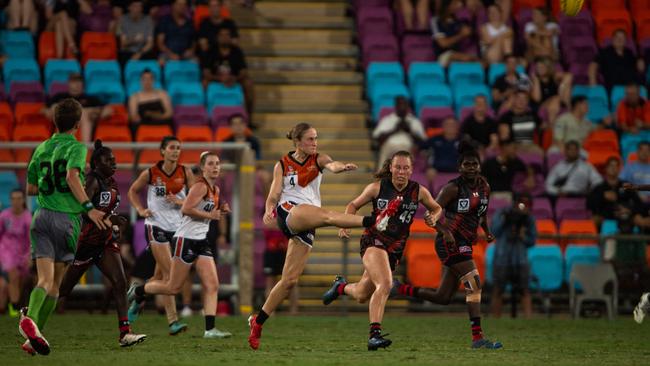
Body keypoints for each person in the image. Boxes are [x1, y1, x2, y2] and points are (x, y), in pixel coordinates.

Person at [247, 123, 392, 350]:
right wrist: (268, 208)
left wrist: (342, 167)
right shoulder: (282, 164)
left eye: (316, 139)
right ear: (298, 141)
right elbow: (274, 192)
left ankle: (258, 321)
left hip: (306, 221)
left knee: (289, 281)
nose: (315, 143)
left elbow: (332, 165)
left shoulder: (319, 158)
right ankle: (373, 222)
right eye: (310, 139)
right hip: (290, 211)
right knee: (328, 216)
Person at [321, 151, 443, 350]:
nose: (401, 172)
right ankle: (374, 335)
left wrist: (434, 217)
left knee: (361, 294)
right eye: (397, 167)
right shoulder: (377, 188)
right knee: (385, 284)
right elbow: (352, 205)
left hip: (395, 249)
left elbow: (436, 208)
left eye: (405, 168)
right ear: (390, 168)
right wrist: (345, 224)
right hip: (373, 240)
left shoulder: (418, 191)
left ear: (411, 170)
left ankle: (340, 287)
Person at [20, 98, 111, 356]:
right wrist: (87, 207)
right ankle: (32, 326)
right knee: (55, 284)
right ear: (78, 124)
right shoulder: (76, 148)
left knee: (44, 280)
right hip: (66, 219)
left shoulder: (41, 148)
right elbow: (72, 176)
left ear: (54, 121)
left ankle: (32, 334)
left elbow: (30, 188)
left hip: (41, 216)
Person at [393, 142, 502, 349]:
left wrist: (486, 231)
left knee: (442, 297)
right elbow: (430, 214)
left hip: (466, 242)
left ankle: (400, 288)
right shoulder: (452, 188)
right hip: (448, 242)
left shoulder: (485, 186)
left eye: (474, 164)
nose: (471, 167)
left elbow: (483, 212)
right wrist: (445, 231)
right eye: (466, 164)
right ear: (459, 167)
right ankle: (478, 338)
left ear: (479, 166)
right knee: (474, 284)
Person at [128, 152, 232, 339]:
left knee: (212, 284)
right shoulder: (200, 186)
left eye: (217, 164)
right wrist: (211, 215)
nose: (215, 167)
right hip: (186, 240)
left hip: (202, 241)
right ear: (202, 168)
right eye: (210, 164)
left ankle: (209, 330)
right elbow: (186, 209)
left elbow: (203, 208)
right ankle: (139, 290)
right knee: (173, 287)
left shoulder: (214, 190)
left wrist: (221, 209)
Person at [58, 140, 146, 347]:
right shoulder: (92, 181)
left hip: (104, 242)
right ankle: (30, 317)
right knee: (62, 290)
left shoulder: (111, 182)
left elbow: (104, 210)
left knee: (120, 282)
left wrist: (114, 225)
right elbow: (82, 210)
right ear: (97, 163)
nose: (114, 164)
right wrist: (110, 221)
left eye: (115, 160)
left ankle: (125, 332)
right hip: (85, 243)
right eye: (109, 160)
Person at [127, 135, 194, 335]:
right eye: (172, 147)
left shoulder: (185, 172)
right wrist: (140, 209)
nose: (176, 151)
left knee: (159, 276)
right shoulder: (150, 173)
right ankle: (173, 322)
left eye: (178, 148)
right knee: (170, 275)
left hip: (178, 228)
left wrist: (181, 202)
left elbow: (195, 199)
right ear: (163, 151)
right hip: (156, 226)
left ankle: (138, 294)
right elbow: (132, 191)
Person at [490, 193, 536, 319]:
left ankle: (528, 320)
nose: (523, 206)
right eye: (521, 202)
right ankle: (496, 320)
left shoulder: (528, 218)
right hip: (502, 257)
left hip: (520, 258)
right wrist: (505, 221)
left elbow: (532, 240)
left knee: (524, 290)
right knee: (498, 290)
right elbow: (493, 232)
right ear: (514, 202)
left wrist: (523, 236)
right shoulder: (502, 213)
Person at [45, 73, 113, 143]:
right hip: (62, 122)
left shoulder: (90, 99)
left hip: (84, 123)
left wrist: (96, 113)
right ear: (68, 83)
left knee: (83, 113)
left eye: (79, 81)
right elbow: (44, 109)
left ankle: (85, 147)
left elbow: (108, 110)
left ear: (83, 84)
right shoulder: (59, 97)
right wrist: (51, 111)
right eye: (74, 82)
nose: (77, 84)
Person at [200, 27, 254, 115]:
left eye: (227, 35)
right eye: (222, 35)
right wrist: (220, 79)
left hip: (234, 80)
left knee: (248, 83)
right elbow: (206, 73)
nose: (224, 37)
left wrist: (234, 78)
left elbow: (244, 71)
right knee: (204, 84)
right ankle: (205, 115)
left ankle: (248, 117)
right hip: (216, 80)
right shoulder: (211, 51)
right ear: (217, 37)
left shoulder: (237, 51)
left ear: (230, 37)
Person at [0, 189, 32, 318]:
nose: (16, 201)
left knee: (21, 280)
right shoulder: (4, 216)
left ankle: (14, 303)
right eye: (13, 198)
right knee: (13, 274)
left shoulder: (28, 217)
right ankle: (14, 307)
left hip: (22, 253)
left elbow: (31, 239)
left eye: (19, 198)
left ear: (23, 200)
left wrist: (29, 255)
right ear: (10, 200)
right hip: (6, 250)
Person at [588, 157, 644, 229]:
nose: (613, 168)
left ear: (619, 169)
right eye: (611, 166)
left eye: (616, 166)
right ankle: (597, 239)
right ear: (606, 168)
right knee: (594, 219)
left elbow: (639, 203)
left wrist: (629, 210)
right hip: (605, 217)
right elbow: (589, 204)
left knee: (639, 218)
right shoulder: (599, 187)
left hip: (625, 216)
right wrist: (603, 196)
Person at [372, 96, 426, 167]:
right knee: (384, 152)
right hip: (389, 146)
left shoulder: (414, 121)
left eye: (404, 104)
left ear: (408, 106)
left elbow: (423, 140)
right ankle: (382, 176)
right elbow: (376, 137)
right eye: (400, 104)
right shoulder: (387, 119)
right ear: (396, 106)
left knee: (405, 154)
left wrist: (409, 131)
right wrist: (395, 130)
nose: (402, 107)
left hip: (407, 147)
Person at [431, 0, 478, 67]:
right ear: (447, 5)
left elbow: (469, 34)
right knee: (466, 58)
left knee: (479, 62)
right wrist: (461, 35)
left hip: (459, 55)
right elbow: (443, 43)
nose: (458, 6)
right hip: (443, 57)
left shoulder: (457, 21)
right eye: (454, 3)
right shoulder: (436, 20)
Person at [530, 57, 572, 125]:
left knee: (567, 89)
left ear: (548, 67)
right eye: (538, 67)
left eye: (542, 67)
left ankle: (568, 112)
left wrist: (561, 88)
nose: (539, 69)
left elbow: (569, 76)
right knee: (556, 99)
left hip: (558, 102)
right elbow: (537, 99)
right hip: (542, 106)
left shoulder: (554, 77)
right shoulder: (535, 80)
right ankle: (552, 125)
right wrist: (536, 81)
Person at [420, 117, 460, 185]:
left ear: (457, 127)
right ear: (443, 127)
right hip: (437, 169)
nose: (450, 127)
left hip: (457, 169)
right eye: (447, 125)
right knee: (429, 173)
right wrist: (428, 165)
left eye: (452, 125)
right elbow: (421, 149)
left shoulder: (463, 140)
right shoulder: (434, 139)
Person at [116, 0, 155, 65]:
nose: (137, 9)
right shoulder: (123, 20)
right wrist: (134, 40)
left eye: (139, 6)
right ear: (129, 7)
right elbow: (123, 43)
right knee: (122, 58)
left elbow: (150, 43)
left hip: (143, 52)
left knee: (151, 59)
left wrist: (139, 53)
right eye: (134, 6)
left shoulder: (148, 20)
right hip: (127, 52)